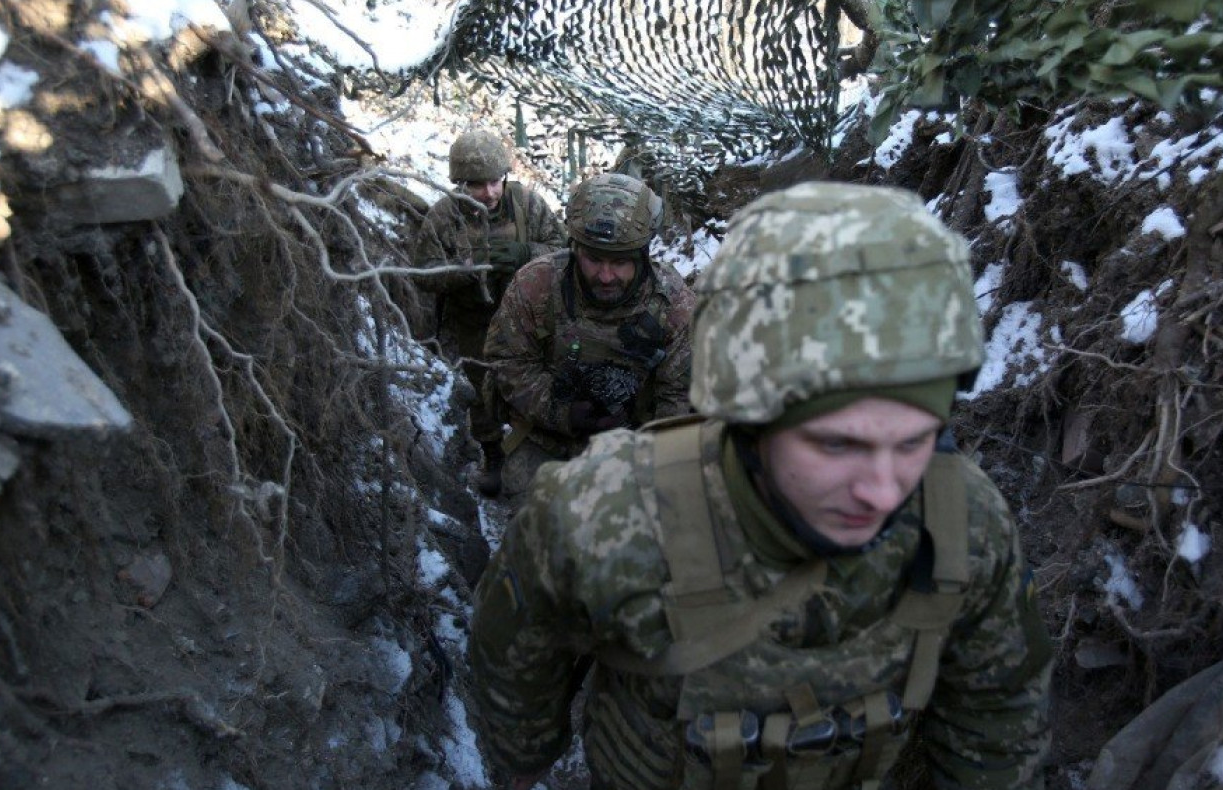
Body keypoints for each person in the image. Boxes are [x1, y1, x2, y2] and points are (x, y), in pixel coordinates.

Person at [469, 182, 1052, 790]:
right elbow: (517, 670)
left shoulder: (965, 526)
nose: (882, 493)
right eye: (836, 444)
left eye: (913, 441)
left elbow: (999, 717)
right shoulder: (602, 517)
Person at [483, 172, 695, 504]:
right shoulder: (535, 285)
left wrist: (645, 459)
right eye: (594, 259)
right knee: (535, 514)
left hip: (636, 442)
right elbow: (509, 365)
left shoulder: (673, 304)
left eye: (620, 262)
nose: (606, 276)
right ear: (575, 248)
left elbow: (678, 399)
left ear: (642, 255)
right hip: (548, 435)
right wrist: (563, 413)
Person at [411, 128, 567, 496]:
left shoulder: (528, 205)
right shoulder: (444, 217)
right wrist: (468, 269)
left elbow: (562, 250)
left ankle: (541, 452)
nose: (490, 193)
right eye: (478, 185)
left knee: (539, 381)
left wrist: (524, 255)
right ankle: (493, 456)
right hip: (474, 322)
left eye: (496, 182)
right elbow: (424, 272)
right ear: (461, 184)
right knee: (483, 391)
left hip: (529, 320)